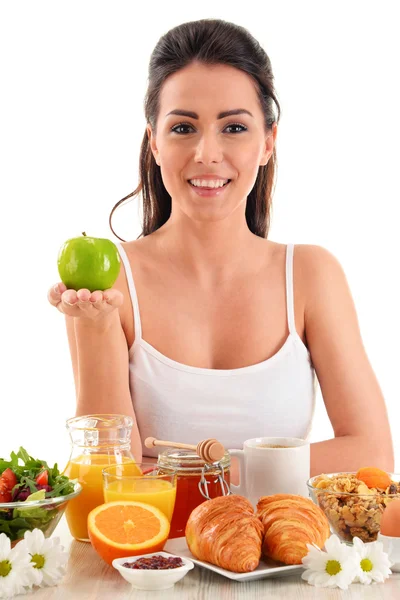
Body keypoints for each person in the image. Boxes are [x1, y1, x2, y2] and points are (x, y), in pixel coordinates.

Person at [48, 18, 394, 480]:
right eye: (183, 128)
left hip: (287, 552)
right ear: (153, 141)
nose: (207, 153)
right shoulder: (111, 280)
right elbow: (115, 478)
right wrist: (92, 328)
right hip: (157, 554)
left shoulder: (310, 275)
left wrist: (202, 470)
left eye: (233, 128)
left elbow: (373, 456)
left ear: (268, 142)